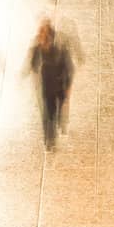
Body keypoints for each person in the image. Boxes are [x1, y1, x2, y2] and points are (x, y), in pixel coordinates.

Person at [28, 18, 75, 150]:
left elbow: (69, 67)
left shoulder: (59, 48)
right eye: (40, 36)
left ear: (49, 37)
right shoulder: (38, 48)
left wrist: (68, 86)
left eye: (43, 36)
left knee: (57, 112)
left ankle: (60, 124)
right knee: (48, 113)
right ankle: (49, 139)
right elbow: (33, 63)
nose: (41, 39)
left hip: (60, 85)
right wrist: (31, 71)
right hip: (47, 86)